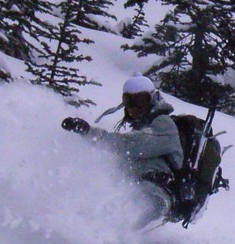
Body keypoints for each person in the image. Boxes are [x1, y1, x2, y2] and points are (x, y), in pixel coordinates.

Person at [62, 74, 185, 225]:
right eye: (129, 101)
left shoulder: (164, 125)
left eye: (140, 101)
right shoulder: (143, 125)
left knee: (148, 203)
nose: (133, 108)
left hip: (158, 189)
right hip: (133, 185)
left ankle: (120, 237)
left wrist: (90, 133)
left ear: (152, 99)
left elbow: (131, 145)